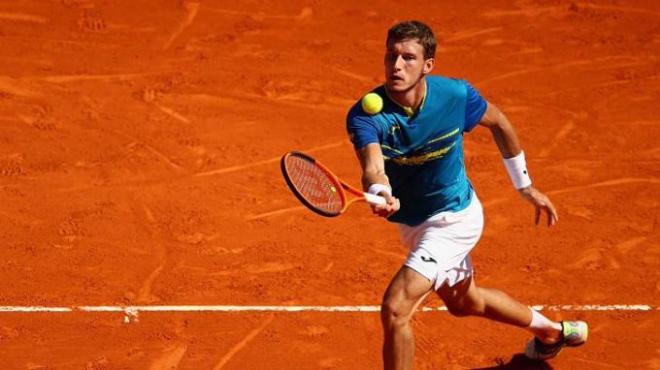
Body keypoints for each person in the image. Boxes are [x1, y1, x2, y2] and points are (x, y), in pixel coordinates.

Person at [346, 20, 588, 369]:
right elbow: (372, 165)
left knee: (396, 307)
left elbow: (500, 122)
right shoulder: (367, 115)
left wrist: (525, 186)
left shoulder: (455, 96)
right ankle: (553, 332)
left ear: (428, 65)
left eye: (408, 58)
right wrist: (381, 190)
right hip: (415, 224)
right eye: (391, 56)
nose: (396, 66)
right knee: (465, 303)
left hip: (455, 217)